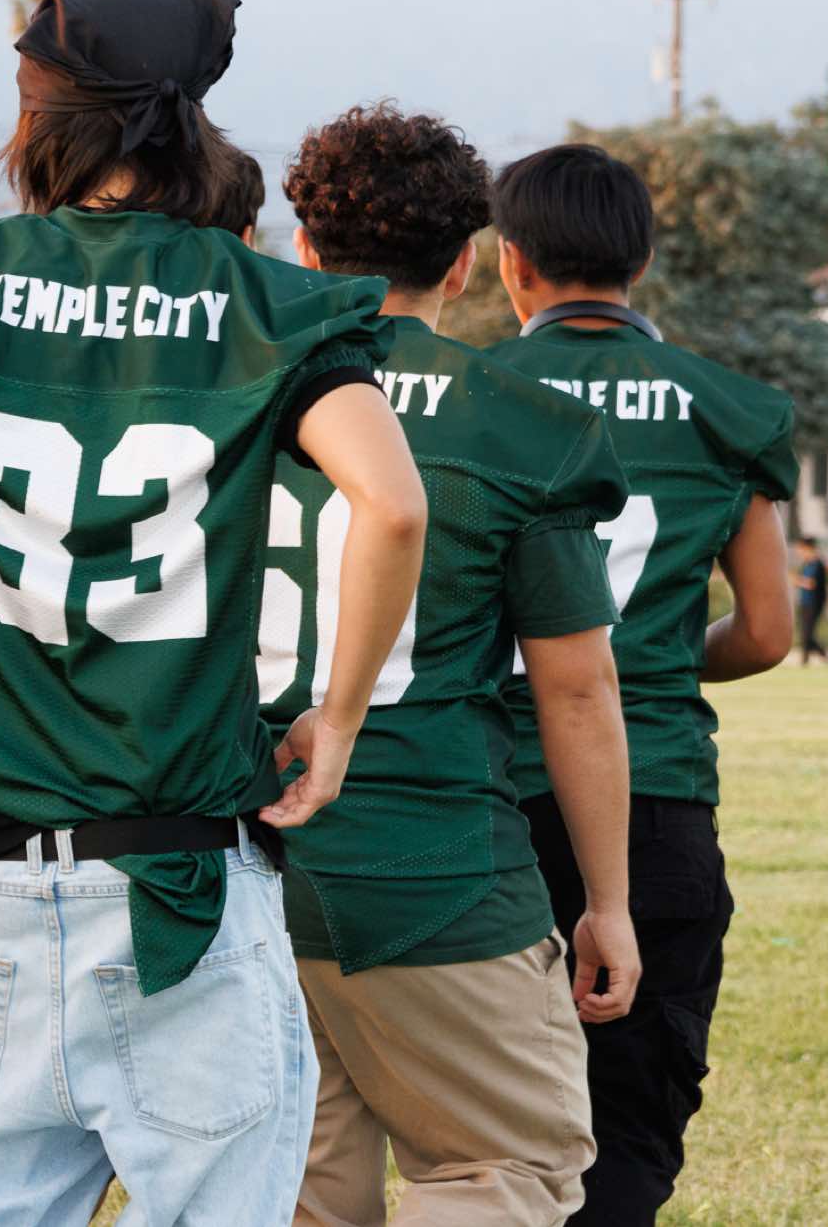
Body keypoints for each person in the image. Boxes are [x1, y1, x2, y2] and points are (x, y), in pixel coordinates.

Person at [0, 0, 426, 1226]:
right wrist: (336, 719)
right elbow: (389, 505)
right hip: (179, 875)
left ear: (43, 121)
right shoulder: (259, 301)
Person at [264, 103, 641, 1224]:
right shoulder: (519, 421)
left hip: (237, 856)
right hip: (434, 866)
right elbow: (575, 688)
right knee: (504, 1168)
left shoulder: (229, 395)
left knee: (300, 1196)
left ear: (304, 250)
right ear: (467, 263)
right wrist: (608, 900)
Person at [488, 143, 796, 1224]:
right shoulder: (725, 407)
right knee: (626, 1129)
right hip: (656, 789)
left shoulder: (474, 395)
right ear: (643, 261)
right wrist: (646, 661)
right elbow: (767, 631)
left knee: (488, 1139)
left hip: (493, 793)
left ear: (510, 263)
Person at [793, 536, 828, 665]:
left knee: (807, 634)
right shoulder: (806, 564)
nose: (799, 552)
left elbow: (811, 584)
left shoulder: (817, 564)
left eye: (800, 549)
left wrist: (797, 580)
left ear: (807, 548)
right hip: (804, 602)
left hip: (814, 603)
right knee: (805, 633)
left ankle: (818, 655)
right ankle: (808, 658)